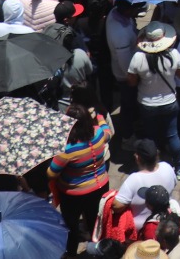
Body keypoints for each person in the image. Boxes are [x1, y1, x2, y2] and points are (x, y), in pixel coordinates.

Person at [50, 103, 113, 252]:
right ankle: (97, 250)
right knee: (95, 222)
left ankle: (71, 252)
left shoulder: (66, 149)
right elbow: (108, 132)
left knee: (71, 225)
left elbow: (51, 173)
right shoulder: (98, 134)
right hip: (100, 187)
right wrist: (100, 117)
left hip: (73, 195)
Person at [129, 21, 180, 171]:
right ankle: (179, 168)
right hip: (170, 101)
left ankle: (153, 166)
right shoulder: (173, 54)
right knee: (172, 135)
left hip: (147, 104)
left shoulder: (137, 58)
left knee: (151, 137)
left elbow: (131, 82)